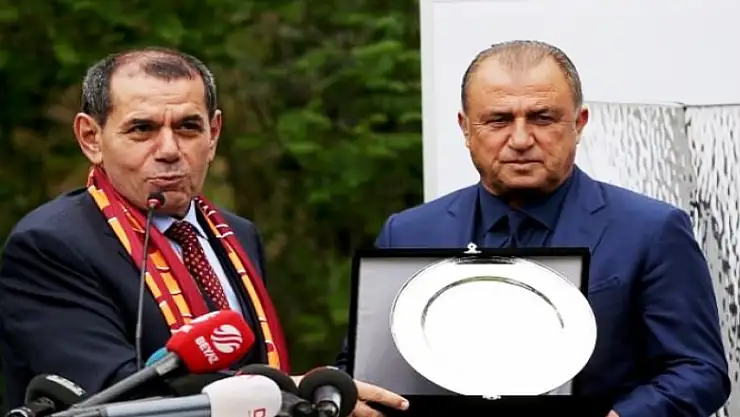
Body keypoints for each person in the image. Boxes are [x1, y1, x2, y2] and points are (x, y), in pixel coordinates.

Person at [0, 47, 408, 417]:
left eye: (188, 128)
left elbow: (252, 361)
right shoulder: (50, 245)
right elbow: (110, 393)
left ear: (213, 134)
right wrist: (281, 393)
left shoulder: (238, 234)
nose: (169, 150)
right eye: (142, 129)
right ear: (91, 138)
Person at [338, 41, 730, 417]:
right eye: (499, 120)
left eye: (543, 118)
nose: (521, 139)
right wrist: (342, 392)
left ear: (579, 124)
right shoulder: (408, 233)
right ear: (465, 128)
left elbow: (698, 370)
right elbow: (362, 371)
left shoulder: (652, 230)